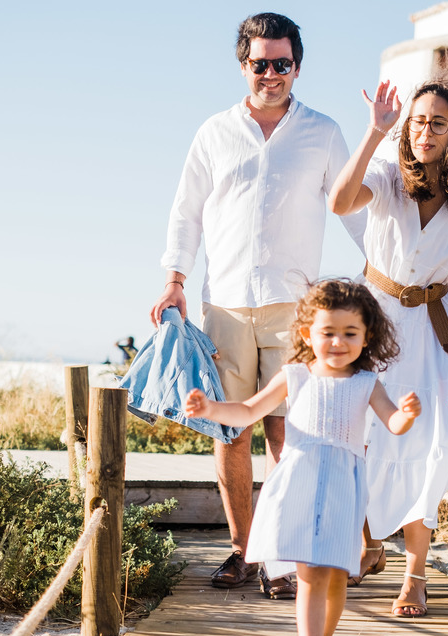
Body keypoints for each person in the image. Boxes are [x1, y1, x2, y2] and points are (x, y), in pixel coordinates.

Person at [150, 12, 364, 599]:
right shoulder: (214, 131)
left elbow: (351, 205)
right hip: (226, 306)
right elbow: (186, 211)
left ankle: (284, 558)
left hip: (297, 312)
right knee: (229, 434)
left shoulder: (322, 131)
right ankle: (244, 552)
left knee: (286, 436)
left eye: (282, 64)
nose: (271, 74)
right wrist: (175, 278)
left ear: (298, 66)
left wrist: (379, 276)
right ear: (242, 64)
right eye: (260, 64)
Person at [184, 279, 421, 636]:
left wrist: (406, 415)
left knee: (334, 578)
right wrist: (211, 409)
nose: (337, 341)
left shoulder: (367, 383)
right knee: (310, 574)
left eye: (350, 333)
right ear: (308, 332)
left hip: (345, 490)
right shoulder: (294, 375)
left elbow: (393, 423)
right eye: (327, 331)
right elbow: (249, 410)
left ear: (367, 336)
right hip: (300, 482)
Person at [329, 72, 448, 618]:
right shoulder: (385, 174)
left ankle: (416, 573)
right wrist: (375, 132)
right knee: (361, 437)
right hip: (373, 321)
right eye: (419, 121)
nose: (426, 131)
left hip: (433, 331)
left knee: (429, 447)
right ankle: (366, 542)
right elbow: (339, 203)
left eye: (438, 123)